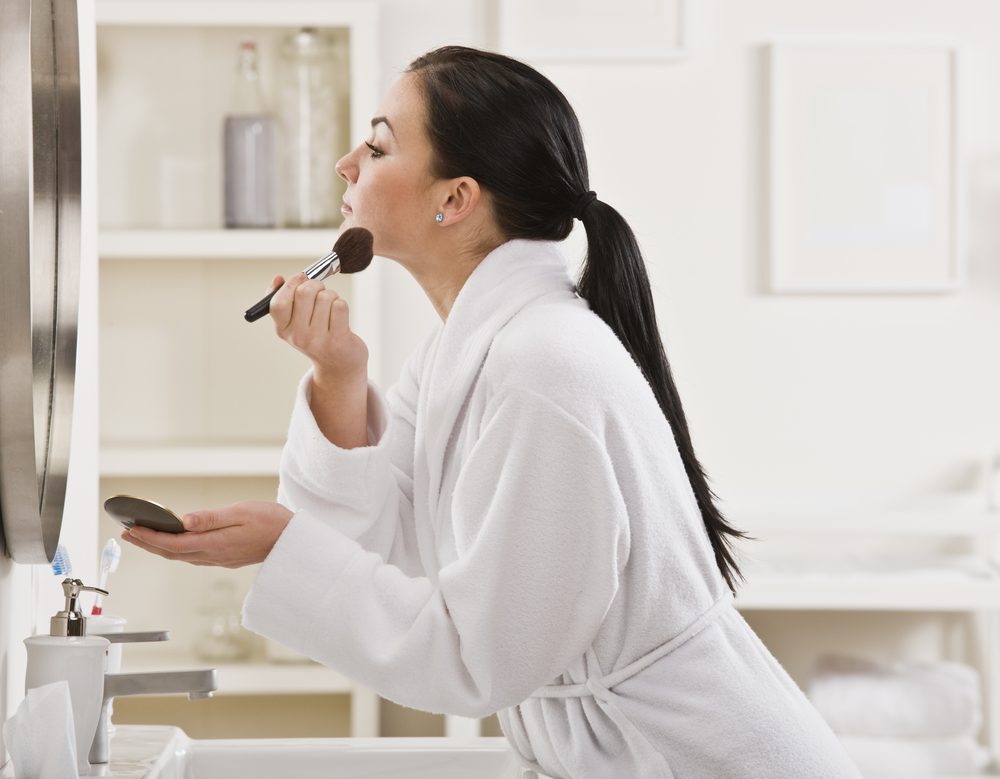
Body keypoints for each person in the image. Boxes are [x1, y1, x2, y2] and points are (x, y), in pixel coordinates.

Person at [122, 45, 861, 778]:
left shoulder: (542, 368)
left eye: (377, 145)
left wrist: (282, 544)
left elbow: (474, 658)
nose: (347, 163)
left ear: (455, 198)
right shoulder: (466, 351)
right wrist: (339, 375)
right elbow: (382, 549)